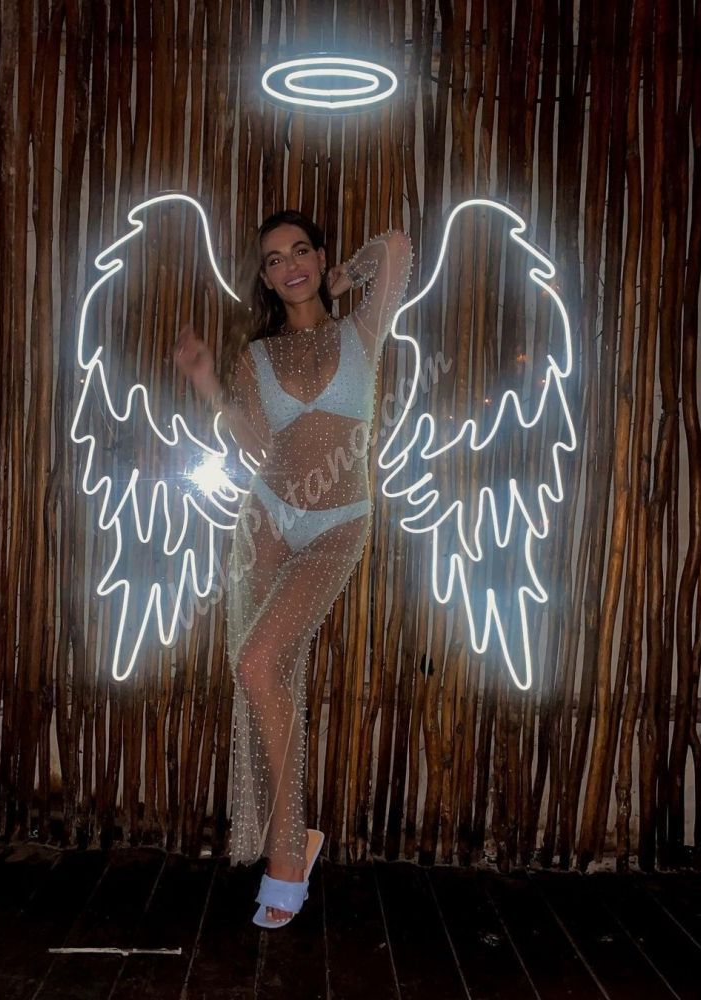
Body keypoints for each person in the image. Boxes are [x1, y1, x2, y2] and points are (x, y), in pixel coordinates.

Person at [175, 210, 412, 926]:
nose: (289, 266)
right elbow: (253, 441)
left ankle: (290, 850)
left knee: (257, 663)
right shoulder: (259, 354)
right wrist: (206, 381)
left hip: (339, 522)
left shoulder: (361, 331)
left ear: (319, 256)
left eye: (300, 250)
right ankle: (288, 844)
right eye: (274, 259)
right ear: (267, 278)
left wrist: (348, 276)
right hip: (268, 515)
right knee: (259, 672)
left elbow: (396, 247)